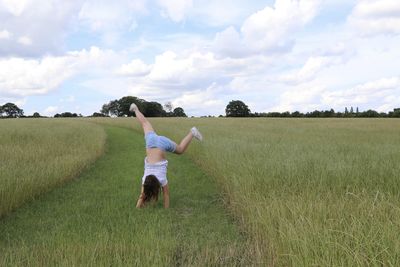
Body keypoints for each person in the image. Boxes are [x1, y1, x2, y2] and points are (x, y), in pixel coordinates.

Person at [130, 103, 203, 208]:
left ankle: (192, 133)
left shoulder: (161, 179)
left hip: (161, 145)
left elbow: (166, 195)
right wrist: (137, 207)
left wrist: (166, 211)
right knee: (145, 123)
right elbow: (142, 196)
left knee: (180, 150)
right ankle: (135, 109)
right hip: (151, 142)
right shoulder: (145, 179)